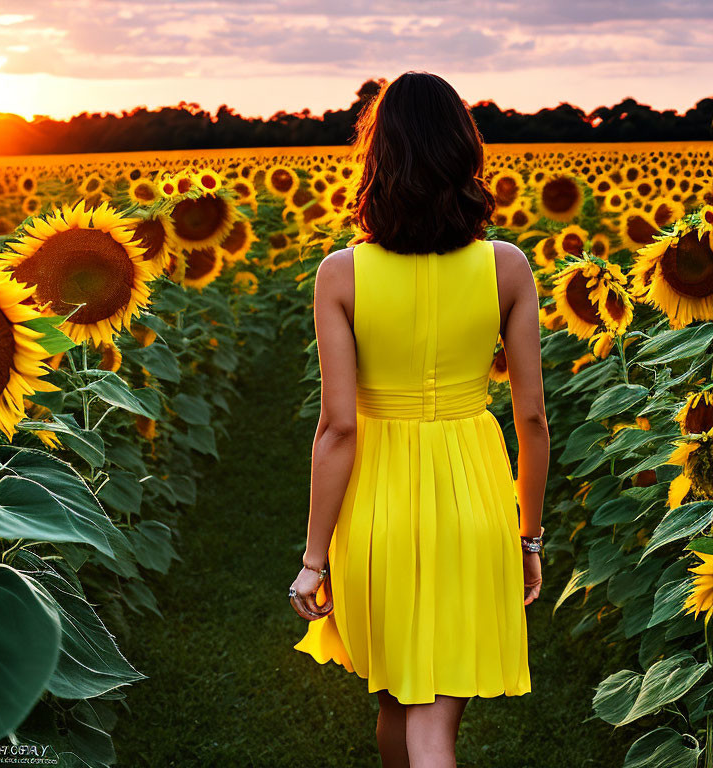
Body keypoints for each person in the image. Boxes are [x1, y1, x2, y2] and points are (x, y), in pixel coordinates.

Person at [289, 70, 549, 768]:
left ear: (378, 160)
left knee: (398, 705)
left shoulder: (341, 275)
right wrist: (529, 537)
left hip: (379, 505)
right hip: (474, 499)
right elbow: (530, 419)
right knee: (435, 722)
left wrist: (313, 562)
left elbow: (337, 427)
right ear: (466, 154)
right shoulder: (508, 268)